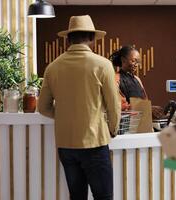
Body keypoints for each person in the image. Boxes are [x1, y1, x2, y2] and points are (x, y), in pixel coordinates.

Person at [38, 15, 121, 200]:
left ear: (68, 39)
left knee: (76, 196)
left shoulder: (53, 67)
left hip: (66, 145)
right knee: (104, 196)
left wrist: (65, 114)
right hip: (95, 143)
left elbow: (42, 107)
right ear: (92, 38)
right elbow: (114, 106)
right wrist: (113, 130)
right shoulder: (103, 65)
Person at [109, 45, 164, 119]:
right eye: (133, 61)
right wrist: (147, 109)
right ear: (123, 60)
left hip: (142, 120)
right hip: (126, 123)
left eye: (138, 62)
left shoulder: (137, 79)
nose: (136, 65)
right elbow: (119, 105)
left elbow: (145, 101)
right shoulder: (115, 78)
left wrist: (151, 109)